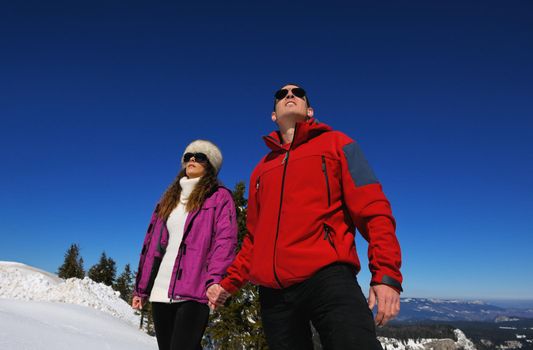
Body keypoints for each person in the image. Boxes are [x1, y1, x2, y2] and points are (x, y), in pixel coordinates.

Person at [207, 84, 403, 349]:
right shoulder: (260, 170)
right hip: (273, 295)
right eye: (281, 94)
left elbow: (374, 209)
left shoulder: (339, 144)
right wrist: (228, 285)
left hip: (328, 279)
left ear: (309, 110)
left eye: (297, 93)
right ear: (273, 115)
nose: (289, 95)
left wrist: (386, 274)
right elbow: (254, 239)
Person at [132, 139, 237, 350]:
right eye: (188, 156)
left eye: (199, 157)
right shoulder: (168, 201)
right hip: (161, 292)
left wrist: (215, 280)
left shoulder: (219, 197)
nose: (192, 159)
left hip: (195, 291)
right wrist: (141, 289)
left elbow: (225, 242)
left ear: (210, 165)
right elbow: (152, 247)